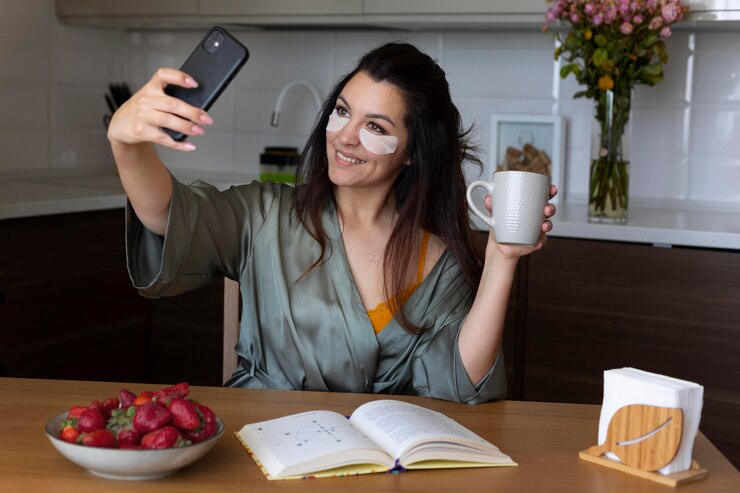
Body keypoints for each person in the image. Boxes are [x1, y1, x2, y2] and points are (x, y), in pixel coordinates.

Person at [107, 42, 556, 404]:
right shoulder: (266, 215)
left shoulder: (439, 262)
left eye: (375, 127)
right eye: (342, 111)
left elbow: (461, 382)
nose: (344, 135)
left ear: (412, 152)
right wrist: (126, 144)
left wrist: (501, 256)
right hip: (257, 448)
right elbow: (168, 216)